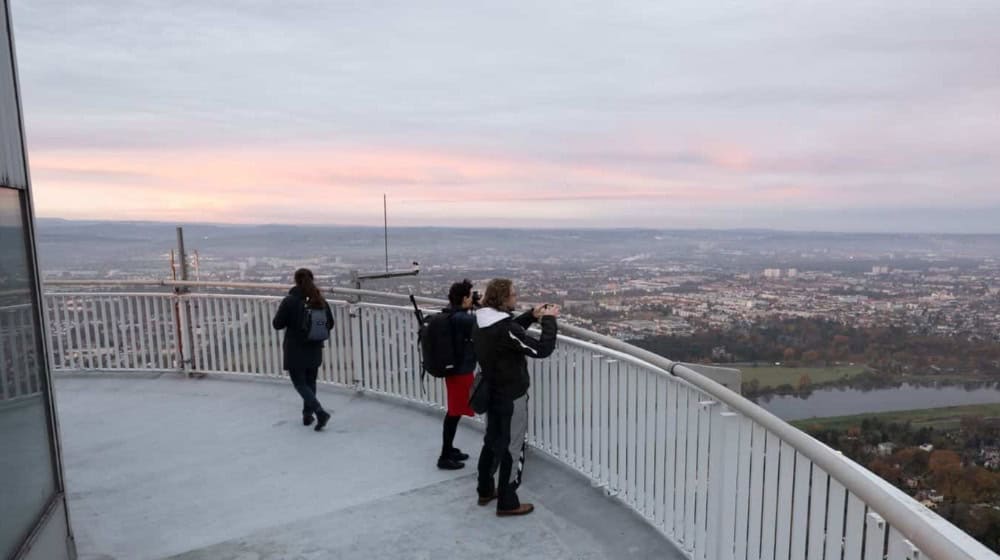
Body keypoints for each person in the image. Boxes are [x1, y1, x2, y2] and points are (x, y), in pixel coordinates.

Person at [473, 278, 558, 516]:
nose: (516, 296)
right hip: (511, 396)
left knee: (491, 441)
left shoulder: (481, 321)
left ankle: (485, 489)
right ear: (503, 299)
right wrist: (549, 319)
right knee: (513, 447)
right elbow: (540, 349)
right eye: (513, 294)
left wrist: (531, 316)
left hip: (491, 391)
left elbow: (509, 334)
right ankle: (508, 501)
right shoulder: (505, 329)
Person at [272, 268, 335, 431]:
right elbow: (331, 324)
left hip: (295, 349)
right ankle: (308, 415)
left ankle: (319, 412)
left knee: (299, 383)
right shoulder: (319, 300)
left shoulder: (290, 301)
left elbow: (277, 324)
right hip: (315, 347)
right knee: (310, 381)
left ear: (295, 281)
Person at [436, 279, 478, 470]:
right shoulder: (462, 319)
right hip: (460, 372)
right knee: (454, 413)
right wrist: (483, 306)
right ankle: (444, 456)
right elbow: (482, 323)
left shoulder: (451, 313)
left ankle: (449, 449)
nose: (473, 298)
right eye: (471, 295)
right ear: (464, 298)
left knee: (455, 412)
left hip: (455, 371)